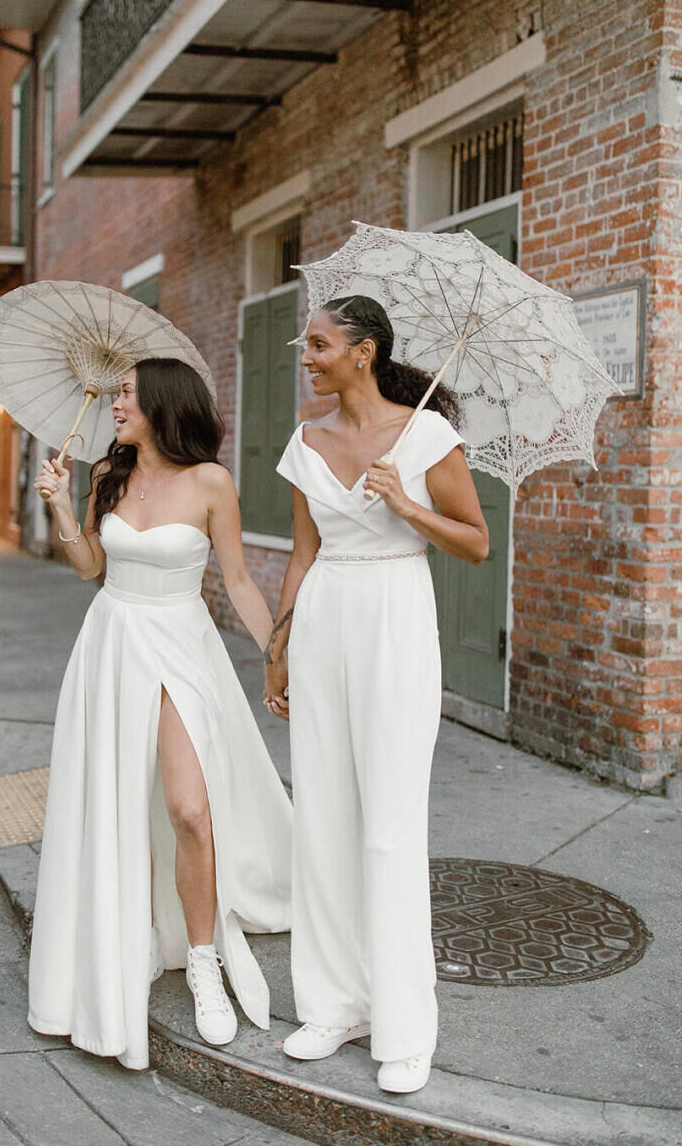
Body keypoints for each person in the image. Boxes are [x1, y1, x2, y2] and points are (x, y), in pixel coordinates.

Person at [28, 356, 291, 1071]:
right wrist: (58, 505)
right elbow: (91, 567)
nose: (116, 405)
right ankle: (138, 933)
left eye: (126, 395)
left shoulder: (211, 482)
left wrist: (276, 653)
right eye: (116, 394)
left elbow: (235, 577)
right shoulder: (107, 477)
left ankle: (202, 956)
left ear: (162, 403)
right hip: (112, 644)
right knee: (117, 802)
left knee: (189, 807)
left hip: (181, 645)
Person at [263, 295, 488, 1094]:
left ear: (363, 352)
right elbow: (301, 552)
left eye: (319, 344)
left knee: (389, 826)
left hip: (396, 617)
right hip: (325, 618)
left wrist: (405, 503)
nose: (307, 355)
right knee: (321, 816)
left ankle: (403, 1025)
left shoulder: (427, 435)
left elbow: (475, 542)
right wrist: (279, 647)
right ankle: (333, 1005)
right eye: (305, 344)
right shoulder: (305, 440)